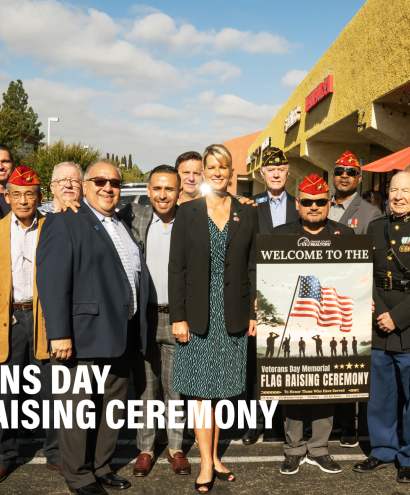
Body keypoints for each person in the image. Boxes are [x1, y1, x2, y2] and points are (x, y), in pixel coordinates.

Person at [36, 160, 151, 495]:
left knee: (110, 409)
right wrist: (59, 333)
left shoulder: (121, 223)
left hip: (121, 333)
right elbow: (53, 281)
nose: (108, 187)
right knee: (78, 410)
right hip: (82, 336)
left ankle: (101, 467)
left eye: (114, 182)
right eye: (99, 181)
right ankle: (79, 476)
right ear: (85, 185)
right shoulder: (65, 221)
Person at [169, 144, 258, 493]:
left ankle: (214, 456)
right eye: (211, 167)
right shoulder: (187, 212)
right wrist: (178, 317)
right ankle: (206, 463)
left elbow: (253, 265)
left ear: (231, 172)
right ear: (203, 172)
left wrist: (254, 311)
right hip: (197, 315)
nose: (218, 172)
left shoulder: (247, 212)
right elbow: (177, 269)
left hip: (233, 312)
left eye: (224, 166)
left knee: (220, 392)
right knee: (201, 394)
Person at [353, 171, 410, 483]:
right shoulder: (375, 226)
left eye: (406, 191)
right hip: (379, 325)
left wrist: (397, 317)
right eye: (394, 190)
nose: (398, 196)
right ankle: (381, 450)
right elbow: (366, 273)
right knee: (380, 395)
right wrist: (381, 312)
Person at [0, 166, 60, 485]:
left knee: (52, 391)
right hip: (7, 319)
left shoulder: (54, 227)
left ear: (40, 196)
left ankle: (55, 453)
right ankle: (4, 456)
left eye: (30, 193)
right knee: (5, 393)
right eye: (17, 193)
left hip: (45, 318)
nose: (24, 200)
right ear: (7, 195)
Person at [112, 165, 192, 478]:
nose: (162, 195)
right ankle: (145, 449)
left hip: (177, 318)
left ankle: (175, 448)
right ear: (148, 191)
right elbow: (97, 209)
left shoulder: (190, 220)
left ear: (179, 191)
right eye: (157, 188)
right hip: (144, 316)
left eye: (169, 189)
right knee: (145, 388)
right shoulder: (134, 216)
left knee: (174, 389)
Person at [274, 174, 352, 476]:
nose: (314, 207)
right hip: (292, 321)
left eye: (321, 202)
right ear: (297, 204)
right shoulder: (280, 236)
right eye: (307, 202)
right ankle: (293, 448)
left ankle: (319, 448)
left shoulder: (345, 234)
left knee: (325, 385)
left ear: (329, 203)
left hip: (329, 322)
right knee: (293, 383)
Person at [243, 146, 296, 445]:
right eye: (270, 169)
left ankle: (280, 424)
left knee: (284, 361)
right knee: (257, 365)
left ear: (288, 173)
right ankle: (256, 423)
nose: (275, 173)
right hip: (259, 295)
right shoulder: (252, 207)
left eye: (281, 169)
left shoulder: (300, 206)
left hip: (289, 294)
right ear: (262, 173)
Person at [327, 151, 384, 234]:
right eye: (339, 171)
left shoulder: (371, 213)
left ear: (359, 178)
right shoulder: (319, 206)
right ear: (333, 176)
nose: (344, 175)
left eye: (351, 172)